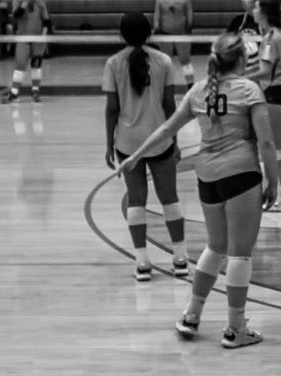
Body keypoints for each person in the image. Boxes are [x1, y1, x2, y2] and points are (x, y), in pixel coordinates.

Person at [113, 33, 281, 348]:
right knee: (239, 253)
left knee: (215, 246)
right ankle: (235, 328)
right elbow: (267, 142)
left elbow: (166, 129)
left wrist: (135, 157)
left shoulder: (198, 91)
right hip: (241, 175)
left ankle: (191, 315)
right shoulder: (249, 90)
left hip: (208, 178)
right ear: (243, 60)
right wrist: (274, 182)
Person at [104, 13, 189, 281]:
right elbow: (169, 106)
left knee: (136, 201)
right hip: (160, 141)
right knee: (170, 199)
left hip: (127, 145)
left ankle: (142, 263)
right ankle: (180, 259)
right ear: (150, 33)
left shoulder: (113, 63)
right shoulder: (164, 61)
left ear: (121, 35)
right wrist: (174, 141)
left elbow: (112, 109)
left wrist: (109, 144)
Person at [250, 0, 281, 212]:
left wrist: (237, 77)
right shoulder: (273, 34)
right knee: (274, 147)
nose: (253, 10)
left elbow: (264, 72)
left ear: (264, 12)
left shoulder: (271, 38)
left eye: (256, 7)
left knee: (277, 149)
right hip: (277, 94)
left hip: (277, 95)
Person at [3, 0, 50, 103]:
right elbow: (15, 16)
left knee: (36, 65)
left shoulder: (40, 2)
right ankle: (14, 93)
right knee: (20, 65)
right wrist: (23, 5)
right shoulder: (17, 1)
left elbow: (47, 21)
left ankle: (35, 91)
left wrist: (44, 35)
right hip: (23, 38)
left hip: (37, 39)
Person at [153, 0, 195, 83]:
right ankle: (166, 85)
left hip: (182, 33)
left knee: (185, 61)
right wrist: (157, 31)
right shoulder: (160, 1)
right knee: (166, 61)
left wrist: (188, 29)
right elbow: (157, 15)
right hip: (165, 33)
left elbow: (189, 14)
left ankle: (190, 84)